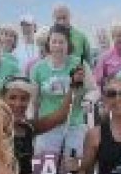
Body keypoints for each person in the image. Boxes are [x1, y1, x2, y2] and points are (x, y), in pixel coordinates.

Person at [30, 23, 94, 154]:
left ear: (68, 44)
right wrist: (32, 127)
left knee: (72, 164)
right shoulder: (38, 68)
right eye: (54, 42)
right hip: (47, 125)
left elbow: (94, 90)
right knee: (45, 165)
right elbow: (34, 102)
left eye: (61, 42)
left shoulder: (80, 64)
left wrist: (88, 99)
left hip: (74, 125)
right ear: (48, 44)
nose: (58, 46)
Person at [93, 22, 121, 87]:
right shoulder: (104, 57)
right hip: (111, 90)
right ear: (113, 37)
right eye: (118, 36)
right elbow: (97, 79)